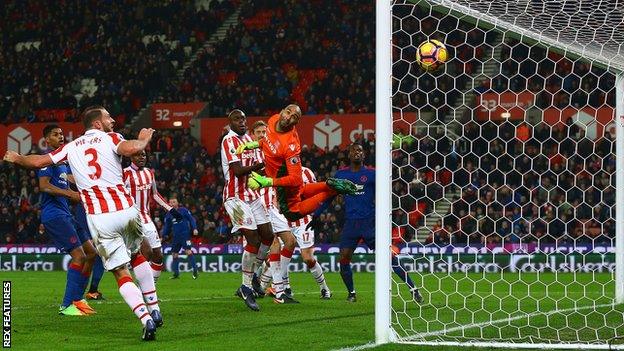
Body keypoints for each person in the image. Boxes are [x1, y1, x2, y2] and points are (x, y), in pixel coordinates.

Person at [4, 106, 161, 340]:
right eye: (109, 118)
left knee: (120, 270)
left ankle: (146, 320)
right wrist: (143, 139)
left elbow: (37, 162)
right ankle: (154, 308)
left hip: (99, 218)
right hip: (125, 209)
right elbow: (132, 149)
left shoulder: (69, 147)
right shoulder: (110, 138)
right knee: (138, 254)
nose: (113, 121)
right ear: (97, 124)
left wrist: (17, 158)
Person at [321, 143, 423, 303]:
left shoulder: (372, 174)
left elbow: (383, 195)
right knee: (344, 257)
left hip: (370, 223)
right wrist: (319, 212)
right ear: (349, 154)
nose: (357, 153)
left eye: (360, 150)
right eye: (354, 150)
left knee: (388, 257)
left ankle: (413, 288)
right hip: (350, 224)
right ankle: (352, 293)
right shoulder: (341, 174)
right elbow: (330, 195)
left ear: (364, 155)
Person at [235, 104, 357, 221]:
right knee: (301, 191)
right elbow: (268, 140)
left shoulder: (290, 145)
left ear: (296, 123)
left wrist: (268, 182)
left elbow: (295, 179)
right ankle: (327, 184)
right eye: (288, 112)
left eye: (294, 117)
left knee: (292, 213)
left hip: (285, 182)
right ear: (282, 111)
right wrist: (254, 144)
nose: (288, 117)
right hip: (284, 180)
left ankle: (332, 190)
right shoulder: (273, 119)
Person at [36, 124, 98, 315]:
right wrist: (69, 194)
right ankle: (66, 305)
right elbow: (44, 186)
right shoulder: (47, 161)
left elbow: (71, 182)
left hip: (66, 214)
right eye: (55, 135)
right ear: (47, 140)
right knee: (79, 256)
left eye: (62, 134)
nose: (60, 137)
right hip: (55, 215)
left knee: (92, 254)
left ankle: (78, 301)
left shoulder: (63, 162)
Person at [221, 110, 273, 311]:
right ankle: (245, 286)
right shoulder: (229, 141)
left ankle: (254, 275)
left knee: (268, 236)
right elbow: (238, 170)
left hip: (252, 196)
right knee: (253, 239)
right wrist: (262, 164)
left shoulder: (251, 141)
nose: (241, 122)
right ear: (230, 123)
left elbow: (258, 169)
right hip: (234, 198)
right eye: (237, 119)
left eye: (243, 119)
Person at [248, 120, 298, 304]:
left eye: (264, 131)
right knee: (276, 243)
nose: (262, 135)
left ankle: (275, 288)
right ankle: (277, 290)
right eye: (258, 132)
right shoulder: (251, 154)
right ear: (252, 135)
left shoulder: (271, 150)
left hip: (273, 200)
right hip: (261, 202)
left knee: (289, 242)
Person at [124, 150, 181, 284]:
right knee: (147, 252)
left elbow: (155, 195)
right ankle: (144, 289)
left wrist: (171, 210)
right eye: (138, 155)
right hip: (132, 220)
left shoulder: (149, 173)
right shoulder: (124, 173)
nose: (141, 157)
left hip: (146, 218)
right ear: (131, 157)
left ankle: (151, 289)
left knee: (158, 255)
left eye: (143, 155)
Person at [162, 197, 198, 280]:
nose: (172, 204)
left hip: (185, 235)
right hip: (176, 236)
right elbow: (167, 227)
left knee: (188, 251)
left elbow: (191, 219)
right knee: (174, 254)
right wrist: (163, 235)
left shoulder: (183, 210)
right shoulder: (169, 214)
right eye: (170, 202)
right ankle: (176, 274)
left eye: (174, 202)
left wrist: (194, 228)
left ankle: (195, 270)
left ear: (177, 203)